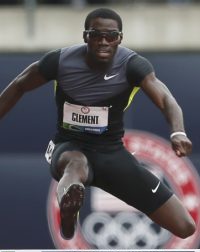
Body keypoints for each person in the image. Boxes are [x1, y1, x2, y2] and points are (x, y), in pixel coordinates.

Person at [0, 8, 196, 240]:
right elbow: (20, 84)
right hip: (69, 146)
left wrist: (178, 131)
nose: (103, 42)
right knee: (76, 165)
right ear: (85, 36)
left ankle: (72, 200)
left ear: (120, 39)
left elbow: (165, 99)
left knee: (185, 227)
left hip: (111, 154)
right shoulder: (60, 61)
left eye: (111, 36)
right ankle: (69, 209)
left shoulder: (132, 65)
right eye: (96, 35)